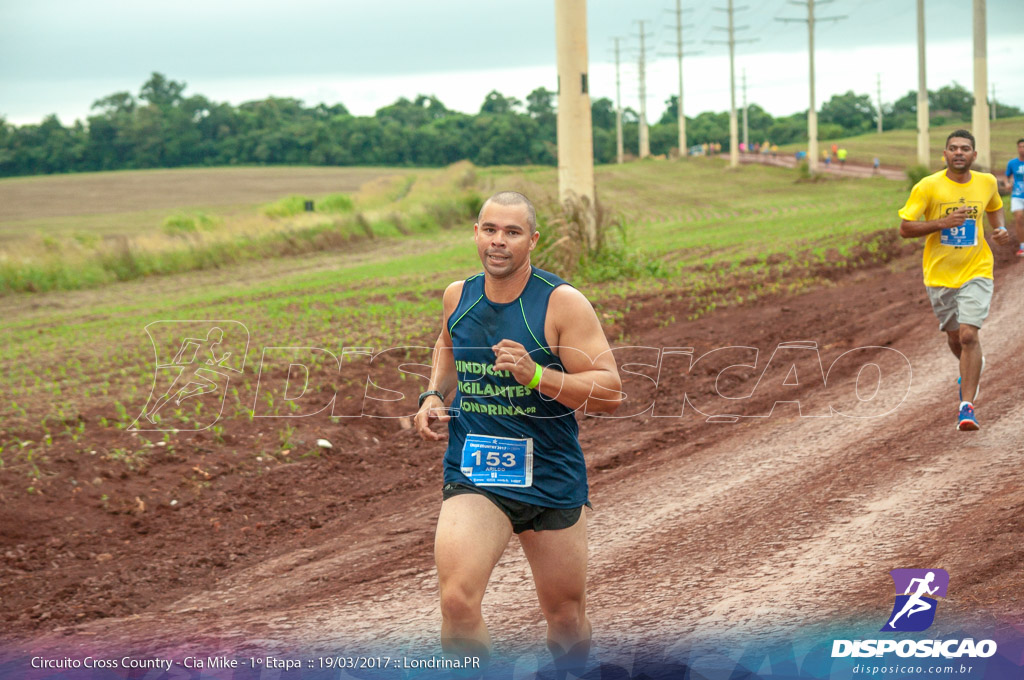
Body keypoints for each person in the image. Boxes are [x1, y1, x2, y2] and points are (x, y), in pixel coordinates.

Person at [414, 191, 622, 671]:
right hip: (476, 472)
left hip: (549, 473)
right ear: (476, 234)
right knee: (457, 603)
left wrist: (535, 376)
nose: (499, 242)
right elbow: (447, 345)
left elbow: (609, 391)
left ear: (533, 240)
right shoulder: (458, 296)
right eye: (490, 230)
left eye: (511, 232)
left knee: (565, 618)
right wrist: (431, 394)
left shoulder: (561, 303)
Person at [898, 129, 1011, 430]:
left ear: (974, 156)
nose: (959, 152)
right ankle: (970, 367)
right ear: (944, 155)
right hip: (939, 274)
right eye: (953, 148)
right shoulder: (927, 186)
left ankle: (967, 406)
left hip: (977, 269)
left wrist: (999, 230)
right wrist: (942, 223)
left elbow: (995, 208)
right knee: (953, 337)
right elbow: (905, 228)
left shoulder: (986, 182)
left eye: (965, 148)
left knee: (968, 335)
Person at [1003, 138, 1024, 257]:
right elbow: (1007, 176)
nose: (1022, 149)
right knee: (1019, 218)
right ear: (1017, 148)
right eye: (1020, 146)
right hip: (1017, 194)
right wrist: (1006, 184)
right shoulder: (1012, 163)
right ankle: (1022, 246)